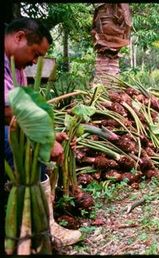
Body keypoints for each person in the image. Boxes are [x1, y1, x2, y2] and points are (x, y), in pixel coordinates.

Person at [4, 17, 81, 247]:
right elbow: (8, 112)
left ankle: (40, 226)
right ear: (20, 37)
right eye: (35, 54)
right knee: (21, 145)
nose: (34, 61)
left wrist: (51, 133)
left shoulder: (16, 66)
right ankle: (39, 229)